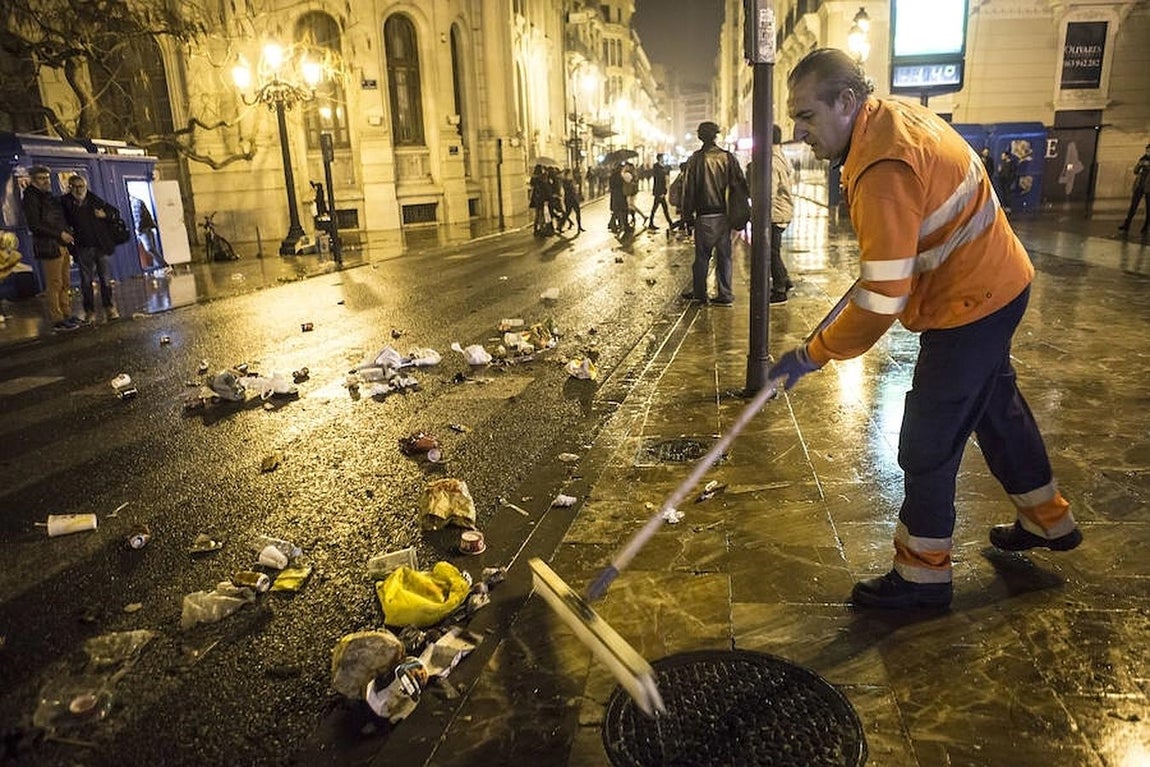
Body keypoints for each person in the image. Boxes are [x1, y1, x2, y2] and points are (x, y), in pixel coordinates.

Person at [768, 48, 1079, 610]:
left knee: (928, 439)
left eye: (806, 115)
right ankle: (1048, 520)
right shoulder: (888, 121)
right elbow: (896, 264)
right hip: (996, 281)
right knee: (995, 408)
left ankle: (922, 577)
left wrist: (814, 352)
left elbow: (884, 295)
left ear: (845, 101)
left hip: (973, 301)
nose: (798, 131)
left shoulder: (881, 166)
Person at [681, 120, 747, 305]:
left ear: (700, 136)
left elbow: (689, 190)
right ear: (716, 135)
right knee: (725, 256)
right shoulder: (728, 157)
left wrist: (687, 217)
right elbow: (740, 184)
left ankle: (700, 293)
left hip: (704, 216)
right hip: (724, 215)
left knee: (702, 257)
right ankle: (725, 294)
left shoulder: (695, 159)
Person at [21, 166, 79, 332]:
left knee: (65, 282)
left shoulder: (48, 197)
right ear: (32, 180)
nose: (46, 181)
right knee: (55, 283)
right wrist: (60, 234)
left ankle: (66, 313)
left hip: (62, 245)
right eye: (41, 178)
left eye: (46, 178)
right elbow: (35, 225)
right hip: (49, 246)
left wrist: (66, 233)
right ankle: (57, 318)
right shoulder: (31, 199)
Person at [61, 174, 120, 322]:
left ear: (86, 187)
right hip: (83, 247)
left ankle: (109, 307)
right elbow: (62, 222)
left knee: (105, 279)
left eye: (81, 186)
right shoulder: (66, 203)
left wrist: (104, 214)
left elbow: (114, 212)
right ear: (70, 188)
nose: (78, 190)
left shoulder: (94, 200)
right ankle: (89, 311)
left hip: (100, 245)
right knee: (86, 281)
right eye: (74, 187)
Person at [1117, 142, 1150, 237]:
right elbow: (1135, 171)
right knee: (1133, 206)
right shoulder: (1142, 159)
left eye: (1149, 151)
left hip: (1149, 187)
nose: (1148, 152)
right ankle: (1126, 224)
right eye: (1147, 150)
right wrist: (1140, 164)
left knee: (1148, 208)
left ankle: (1146, 226)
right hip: (1139, 185)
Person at [131, 195, 169, 273]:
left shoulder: (135, 202)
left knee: (149, 248)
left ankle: (164, 266)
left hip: (143, 229)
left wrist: (137, 230)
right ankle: (162, 266)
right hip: (143, 229)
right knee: (150, 248)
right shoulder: (137, 201)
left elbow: (138, 217)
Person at [647, 154, 673, 230]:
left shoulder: (661, 167)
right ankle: (669, 223)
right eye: (662, 157)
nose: (663, 159)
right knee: (657, 208)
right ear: (659, 158)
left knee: (662, 208)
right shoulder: (657, 167)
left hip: (661, 191)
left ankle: (670, 223)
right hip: (659, 191)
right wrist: (661, 192)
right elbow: (658, 181)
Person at [556, 169, 585, 233]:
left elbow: (574, 189)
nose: (571, 175)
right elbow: (568, 189)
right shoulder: (565, 181)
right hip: (569, 199)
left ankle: (579, 226)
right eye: (569, 173)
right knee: (567, 213)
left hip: (574, 198)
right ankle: (559, 226)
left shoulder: (571, 180)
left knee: (577, 212)